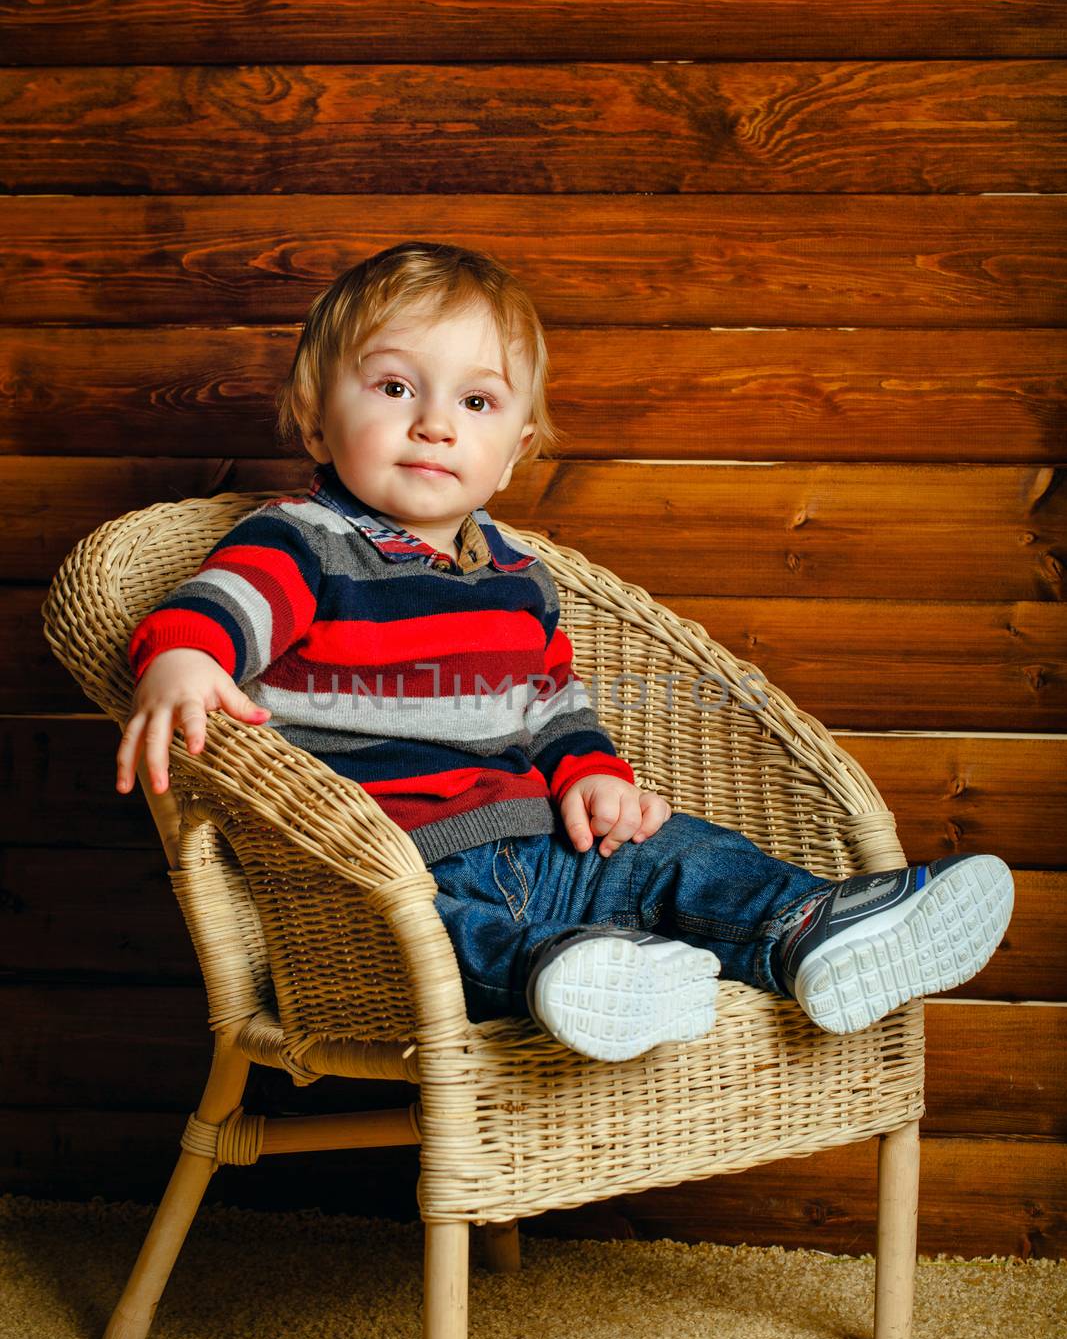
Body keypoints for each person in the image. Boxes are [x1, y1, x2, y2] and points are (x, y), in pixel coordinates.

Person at [115, 240, 1015, 1063]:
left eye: (475, 402)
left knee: (678, 854)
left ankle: (808, 929)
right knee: (441, 937)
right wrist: (185, 660)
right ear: (315, 423)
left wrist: (592, 774)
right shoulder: (304, 542)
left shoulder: (519, 578)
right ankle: (571, 973)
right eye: (395, 389)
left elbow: (553, 709)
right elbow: (221, 609)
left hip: (543, 848)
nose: (435, 423)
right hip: (386, 863)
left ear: (510, 457)